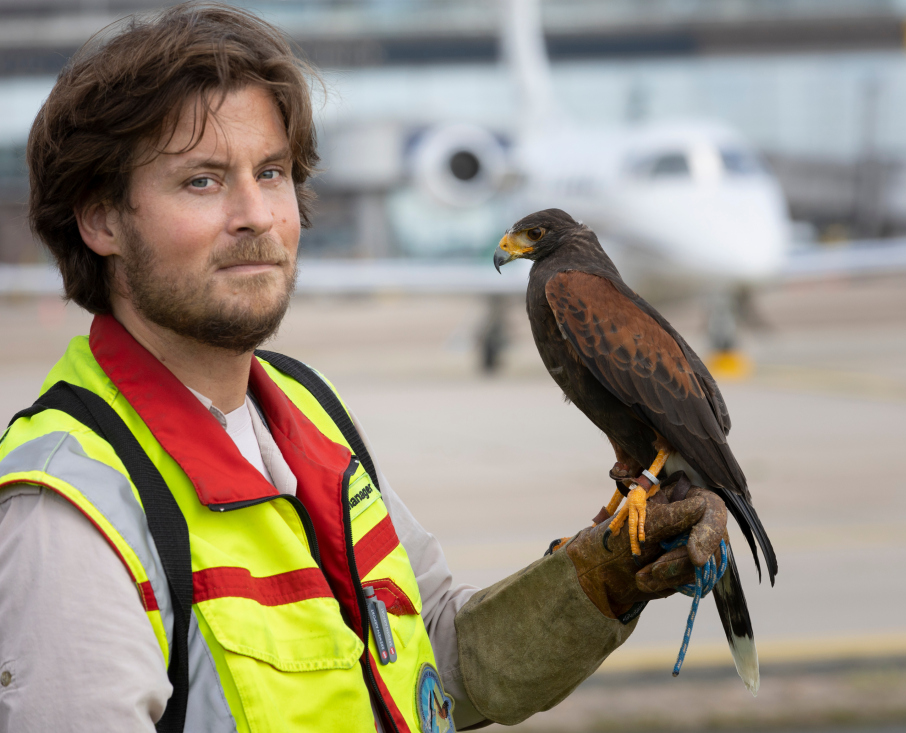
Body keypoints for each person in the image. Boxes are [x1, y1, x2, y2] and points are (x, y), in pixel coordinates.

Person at [0, 4, 729, 732]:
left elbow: (441, 655)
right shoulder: (71, 511)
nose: (256, 214)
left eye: (273, 172)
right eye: (202, 181)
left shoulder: (306, 414)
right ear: (100, 220)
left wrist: (600, 578)